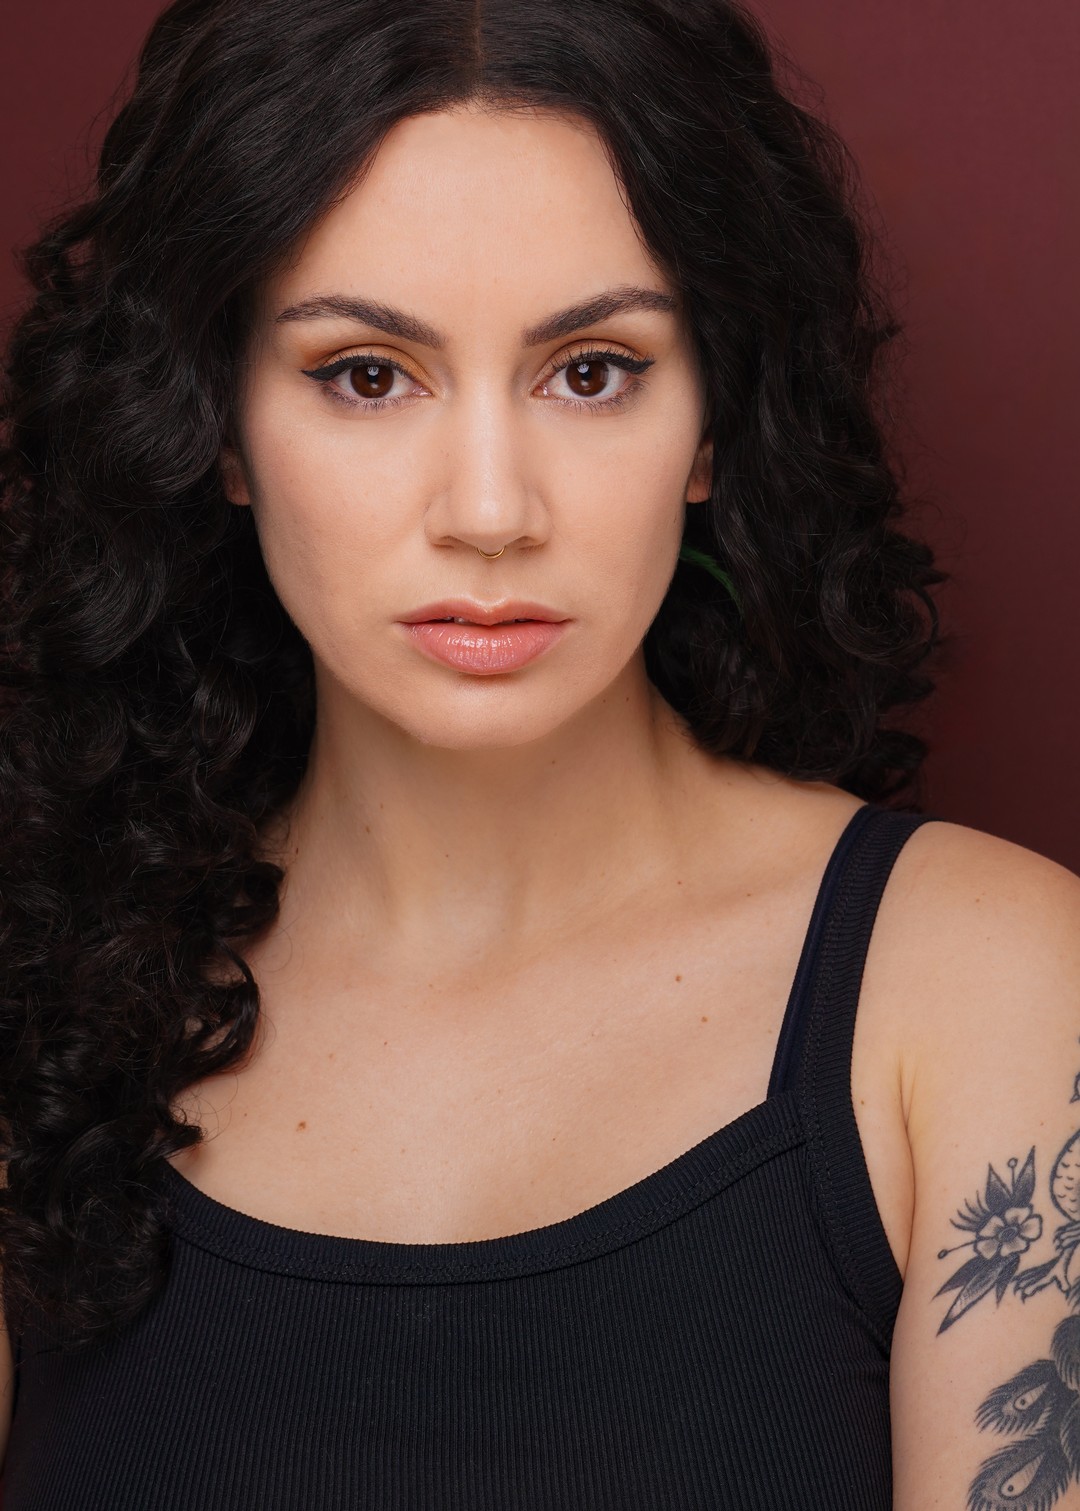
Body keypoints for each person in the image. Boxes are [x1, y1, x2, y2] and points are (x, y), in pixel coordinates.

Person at [1, 0, 1078, 1506]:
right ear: (218, 425)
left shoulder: (988, 990)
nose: (493, 512)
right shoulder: (41, 990)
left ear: (714, 419)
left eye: (592, 370)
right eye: (366, 373)